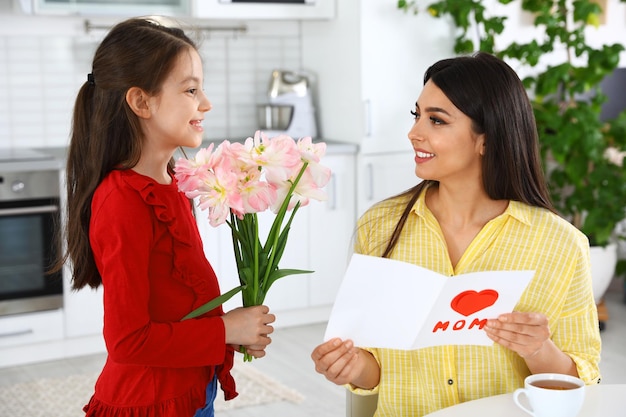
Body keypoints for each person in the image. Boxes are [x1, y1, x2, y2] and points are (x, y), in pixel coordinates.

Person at [311, 52, 601, 417]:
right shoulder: (380, 226)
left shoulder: (561, 245)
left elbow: (584, 384)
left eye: (437, 120)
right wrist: (352, 367)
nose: (414, 132)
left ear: (487, 138)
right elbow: (376, 369)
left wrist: (537, 349)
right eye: (418, 115)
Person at [57, 17, 275, 417]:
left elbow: (176, 304)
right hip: (151, 403)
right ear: (142, 102)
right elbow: (129, 342)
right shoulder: (123, 201)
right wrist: (225, 330)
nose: (206, 103)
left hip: (191, 390)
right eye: (191, 90)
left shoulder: (173, 181)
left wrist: (229, 333)